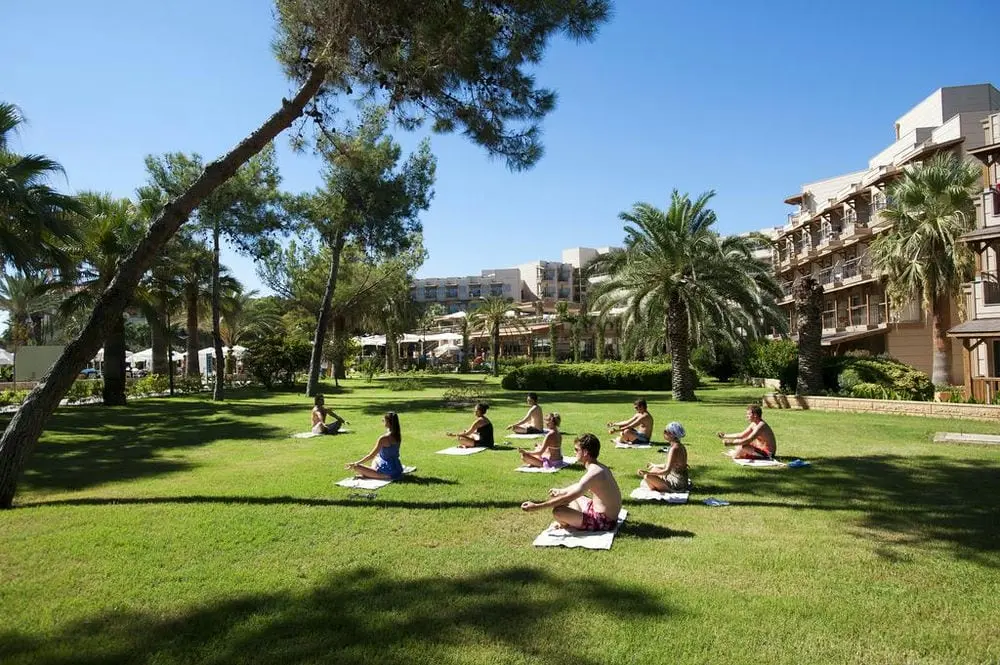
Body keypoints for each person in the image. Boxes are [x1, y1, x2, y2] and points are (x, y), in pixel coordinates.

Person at [521, 433, 622, 532]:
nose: (574, 452)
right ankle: (572, 519)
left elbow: (567, 498)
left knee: (558, 511)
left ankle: (567, 523)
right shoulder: (600, 467)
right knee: (562, 496)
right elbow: (578, 487)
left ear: (585, 452)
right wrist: (561, 491)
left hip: (604, 522)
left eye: (577, 450)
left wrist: (537, 507)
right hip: (601, 513)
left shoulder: (594, 473)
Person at [346, 412, 404, 480]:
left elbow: (371, 456)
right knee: (377, 458)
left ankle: (369, 475)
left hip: (388, 473)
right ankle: (369, 474)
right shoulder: (397, 435)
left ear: (388, 422)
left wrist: (355, 463)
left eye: (384, 420)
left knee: (356, 467)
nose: (382, 421)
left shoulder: (384, 438)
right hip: (397, 469)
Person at [638, 421, 689, 491]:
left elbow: (667, 471)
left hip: (677, 483)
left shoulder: (674, 449)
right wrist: (655, 465)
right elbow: (671, 465)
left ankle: (666, 489)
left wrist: (648, 473)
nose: (664, 433)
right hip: (680, 479)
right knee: (654, 469)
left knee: (647, 477)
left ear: (672, 435)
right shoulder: (679, 446)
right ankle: (656, 485)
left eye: (666, 431)